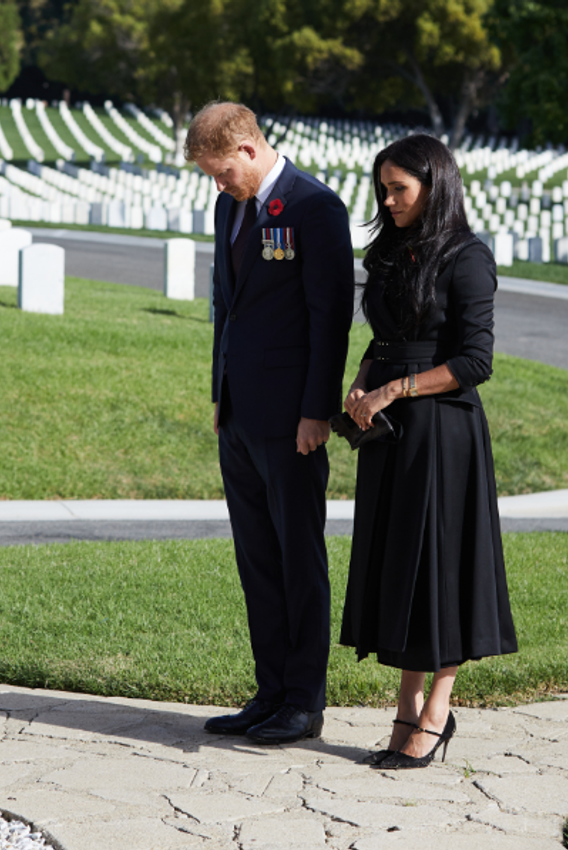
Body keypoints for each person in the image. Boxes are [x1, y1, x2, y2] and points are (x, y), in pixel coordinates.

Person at [339, 134, 517, 769]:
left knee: (439, 575)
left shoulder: (469, 258)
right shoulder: (390, 251)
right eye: (382, 190)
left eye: (399, 190)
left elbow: (475, 361)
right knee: (401, 573)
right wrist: (362, 381)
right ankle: (405, 706)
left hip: (443, 436)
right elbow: (384, 337)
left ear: (434, 186)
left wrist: (393, 388)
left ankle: (435, 712)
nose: (387, 201)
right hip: (390, 438)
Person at [185, 102, 353, 744]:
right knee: (257, 558)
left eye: (223, 171)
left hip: (292, 420)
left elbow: (328, 318)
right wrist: (219, 395)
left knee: (297, 558)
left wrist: (317, 411)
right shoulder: (231, 206)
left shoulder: (315, 208)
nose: (218, 185)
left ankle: (303, 702)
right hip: (240, 414)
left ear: (250, 149)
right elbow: (228, 308)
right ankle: (269, 691)